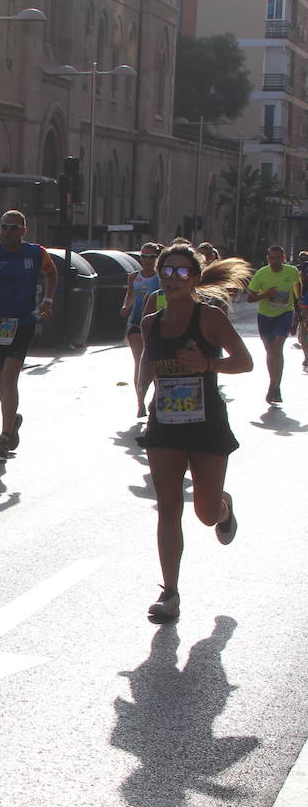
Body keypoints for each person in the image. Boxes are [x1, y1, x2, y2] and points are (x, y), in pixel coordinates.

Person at [137, 244, 253, 621]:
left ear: (196, 279)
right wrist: (141, 398)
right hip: (165, 425)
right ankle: (170, 593)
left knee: (203, 513)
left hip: (206, 424)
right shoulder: (150, 322)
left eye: (183, 272)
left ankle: (223, 507)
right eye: (167, 271)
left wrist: (207, 363)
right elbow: (147, 366)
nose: (173, 278)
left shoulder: (210, 318)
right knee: (168, 508)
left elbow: (245, 361)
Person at [0, 209, 58, 456]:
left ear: (24, 231)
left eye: (14, 228)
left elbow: (51, 273)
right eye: (4, 226)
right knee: (0, 384)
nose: (8, 231)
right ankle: (12, 420)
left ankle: (5, 437)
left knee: (9, 379)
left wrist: (48, 300)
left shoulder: (36, 253)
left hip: (23, 322)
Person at [245, 244, 301, 403]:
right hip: (265, 316)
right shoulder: (261, 274)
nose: (275, 261)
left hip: (285, 313)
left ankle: (275, 387)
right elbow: (250, 298)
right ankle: (273, 383)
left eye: (278, 258)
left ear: (283, 258)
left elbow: (297, 287)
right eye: (271, 258)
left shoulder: (292, 271)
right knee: (270, 351)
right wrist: (266, 294)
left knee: (277, 348)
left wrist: (299, 306)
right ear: (267, 258)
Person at [122, 242, 163, 416]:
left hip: (157, 324)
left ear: (157, 258)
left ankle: (157, 399)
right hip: (136, 323)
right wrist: (125, 306)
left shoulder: (161, 278)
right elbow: (130, 297)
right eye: (144, 257)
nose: (147, 260)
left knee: (156, 363)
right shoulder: (133, 277)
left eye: (151, 257)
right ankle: (140, 403)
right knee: (139, 362)